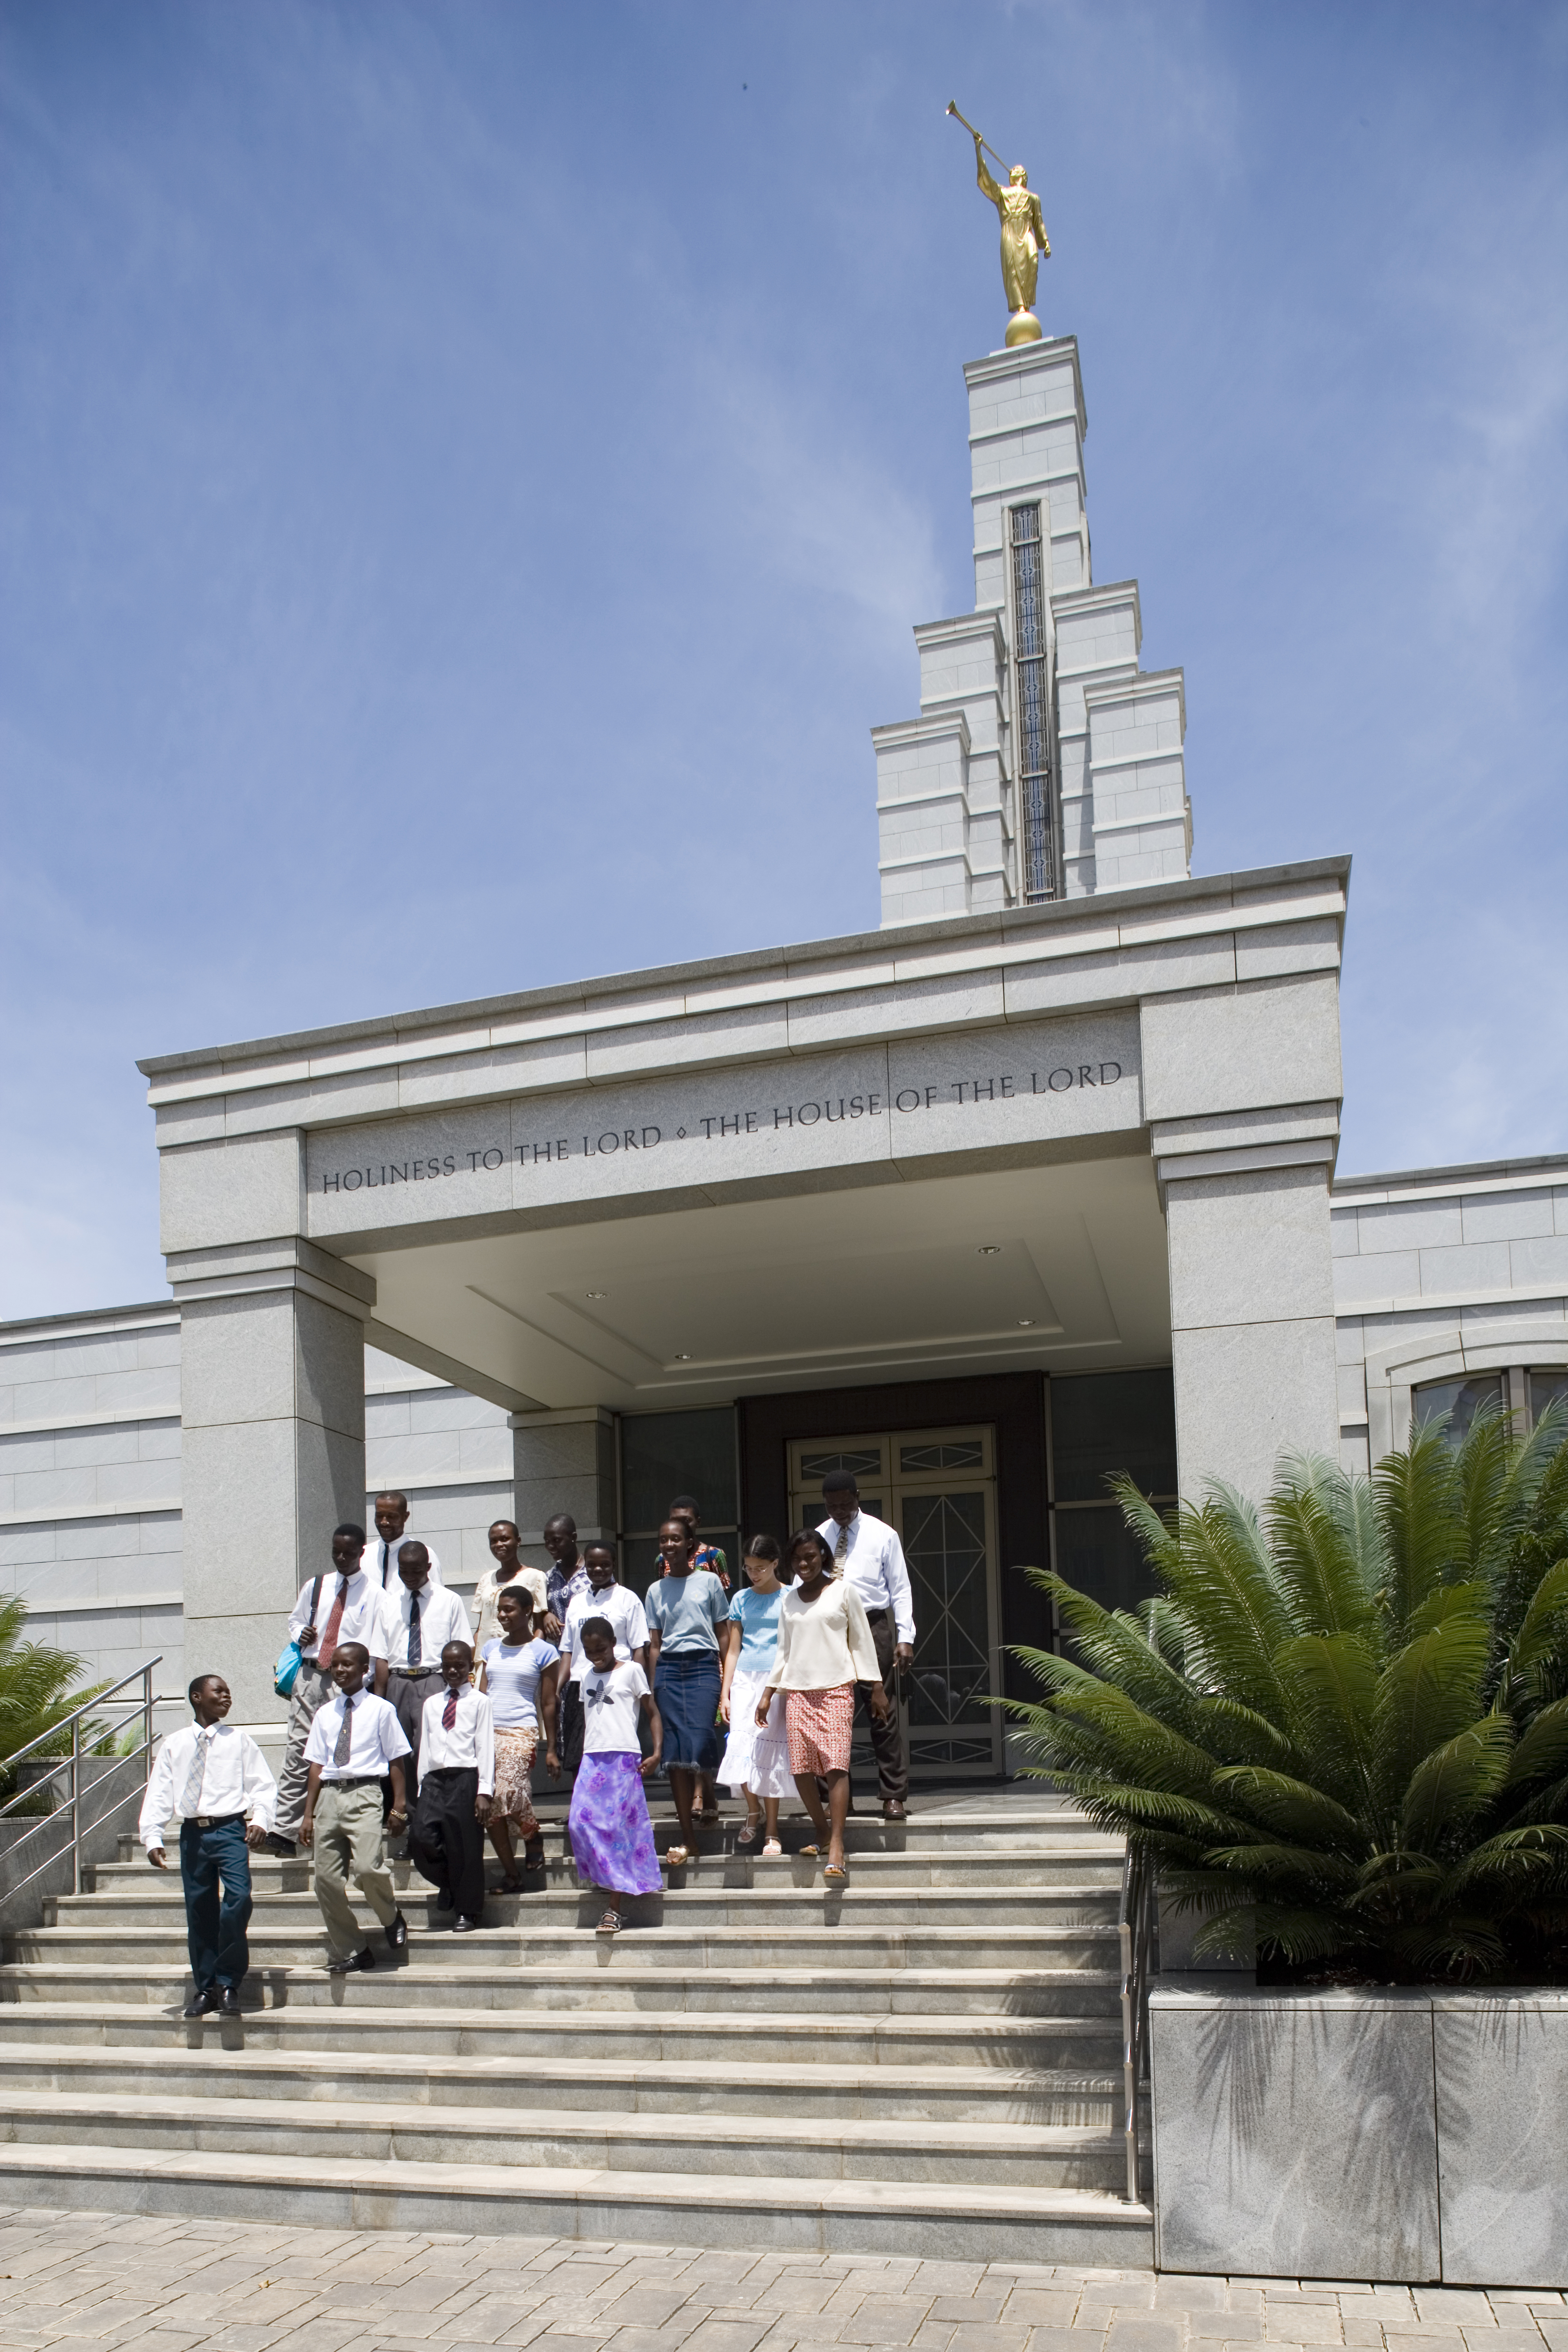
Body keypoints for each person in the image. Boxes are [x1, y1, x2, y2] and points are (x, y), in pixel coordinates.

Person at [139, 1673, 276, 2019]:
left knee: (238, 1900)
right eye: (219, 1691)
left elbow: (263, 1785)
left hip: (230, 1830)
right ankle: (206, 1988)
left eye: (229, 1692)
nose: (227, 1697)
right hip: (193, 1834)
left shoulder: (239, 1741)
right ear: (197, 1697)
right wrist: (153, 1836)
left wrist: (261, 1820)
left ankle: (228, 1982)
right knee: (200, 1911)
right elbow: (159, 1791)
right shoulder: (174, 1744)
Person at [760, 1528, 889, 1883]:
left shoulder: (844, 1592)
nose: (804, 1564)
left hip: (836, 1690)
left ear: (824, 1557)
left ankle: (837, 1845)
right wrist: (768, 1693)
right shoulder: (789, 1600)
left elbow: (862, 1641)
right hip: (798, 1692)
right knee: (801, 1769)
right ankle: (820, 1829)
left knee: (835, 1766)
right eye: (797, 1559)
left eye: (811, 1557)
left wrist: (877, 1686)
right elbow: (783, 1651)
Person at [268, 1523, 389, 1855]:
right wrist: (301, 1633)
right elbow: (295, 1621)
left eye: (348, 1553)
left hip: (346, 1684)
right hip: (311, 1676)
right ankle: (284, 1829)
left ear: (361, 1553)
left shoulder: (375, 1595)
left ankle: (339, 1826)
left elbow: (377, 1645)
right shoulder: (317, 1586)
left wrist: (364, 1685)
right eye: (336, 1552)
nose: (341, 1558)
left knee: (340, 1752)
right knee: (298, 1749)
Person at [300, 1642, 411, 1974]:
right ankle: (354, 1949)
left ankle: (391, 1916)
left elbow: (397, 1759)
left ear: (364, 1670)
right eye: (335, 1664)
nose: (340, 1670)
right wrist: (308, 1814)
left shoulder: (381, 1709)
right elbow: (316, 1766)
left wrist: (400, 1806)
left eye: (347, 1664)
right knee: (326, 1881)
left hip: (365, 1793)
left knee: (367, 1868)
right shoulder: (325, 1713)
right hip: (329, 1798)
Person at [817, 1470, 916, 1822]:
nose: (840, 1512)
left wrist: (905, 1637)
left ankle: (893, 1794)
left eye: (846, 1504)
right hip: (830, 1628)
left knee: (881, 1713)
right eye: (832, 1506)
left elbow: (900, 1589)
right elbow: (803, 1585)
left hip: (872, 1627)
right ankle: (836, 1799)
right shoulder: (819, 1537)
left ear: (858, 1497)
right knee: (830, 1717)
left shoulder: (883, 1534)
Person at [568, 1617, 663, 1935]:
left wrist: (656, 1753)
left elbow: (652, 1712)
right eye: (589, 1650)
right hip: (592, 1757)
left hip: (623, 1757)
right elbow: (591, 1719)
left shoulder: (632, 1671)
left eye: (602, 1648)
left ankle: (614, 1908)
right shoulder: (585, 1676)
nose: (596, 1655)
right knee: (578, 1822)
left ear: (614, 1643)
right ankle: (608, 1875)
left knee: (615, 1829)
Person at [644, 1516, 728, 1867]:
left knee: (702, 1736)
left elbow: (723, 1633)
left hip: (703, 1666)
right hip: (668, 1670)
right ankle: (688, 1839)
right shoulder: (655, 1590)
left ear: (690, 1543)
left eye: (676, 1539)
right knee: (675, 1753)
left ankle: (707, 1790)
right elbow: (654, 1644)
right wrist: (652, 1688)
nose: (669, 1545)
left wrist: (727, 1680)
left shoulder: (709, 1582)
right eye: (664, 1540)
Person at [476, 1585, 560, 1889]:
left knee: (508, 1792)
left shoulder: (544, 1651)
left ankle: (532, 1834)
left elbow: (548, 1702)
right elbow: (481, 1695)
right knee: (489, 1803)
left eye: (509, 1609)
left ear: (527, 1611)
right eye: (500, 1609)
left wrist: (552, 1749)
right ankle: (512, 1874)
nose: (502, 1615)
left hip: (521, 1731)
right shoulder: (490, 1648)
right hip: (487, 1733)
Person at [409, 1641, 494, 1932]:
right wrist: (422, 1785)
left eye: (459, 1665)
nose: (453, 1671)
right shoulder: (432, 1703)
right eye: (447, 1666)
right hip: (434, 1779)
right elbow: (425, 1745)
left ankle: (467, 1911)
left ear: (470, 1667)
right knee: (421, 1838)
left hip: (465, 1777)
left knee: (465, 1846)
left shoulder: (480, 1702)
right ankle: (450, 1883)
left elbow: (485, 1746)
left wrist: (484, 1790)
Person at [717, 1535, 792, 1854]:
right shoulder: (740, 1599)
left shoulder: (790, 1596)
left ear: (775, 1563)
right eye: (748, 1568)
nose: (754, 1574)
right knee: (740, 1745)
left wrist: (779, 1685)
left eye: (760, 1568)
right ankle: (753, 1810)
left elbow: (791, 1646)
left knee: (769, 1752)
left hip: (776, 1680)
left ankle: (772, 1828)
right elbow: (733, 1650)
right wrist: (725, 1694)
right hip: (744, 1680)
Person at [375, 1540, 473, 1782]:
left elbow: (464, 1647)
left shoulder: (449, 1600)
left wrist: (461, 1691)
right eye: (404, 1571)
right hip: (398, 1682)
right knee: (398, 1748)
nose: (409, 1577)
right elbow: (381, 1656)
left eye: (416, 1571)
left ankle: (429, 1799)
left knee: (430, 1746)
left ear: (428, 1567)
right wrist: (379, 1700)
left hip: (434, 1680)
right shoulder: (388, 1604)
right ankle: (405, 1802)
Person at [558, 1542, 649, 1773]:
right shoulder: (577, 1602)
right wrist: (558, 1688)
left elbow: (639, 1648)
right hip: (580, 1685)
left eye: (605, 1564)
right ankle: (583, 1796)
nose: (598, 1570)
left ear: (614, 1565)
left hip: (616, 1684)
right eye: (592, 1565)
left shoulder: (628, 1599)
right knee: (578, 1753)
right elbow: (568, 1650)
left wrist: (637, 1684)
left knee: (613, 1750)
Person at [472, 1520, 552, 1656]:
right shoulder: (486, 1579)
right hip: (486, 1659)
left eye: (505, 1539)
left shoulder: (535, 1577)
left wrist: (529, 1655)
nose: (499, 1544)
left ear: (518, 1541)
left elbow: (539, 1627)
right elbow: (481, 1626)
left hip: (519, 1657)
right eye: (494, 1541)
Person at [367, 1491, 443, 1590]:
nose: (384, 1522)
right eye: (379, 1516)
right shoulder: (363, 1555)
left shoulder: (425, 1554)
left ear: (405, 1517)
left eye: (391, 1516)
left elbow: (437, 1595)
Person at [665, 1496, 729, 1591]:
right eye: (675, 1521)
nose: (680, 1526)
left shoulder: (713, 1555)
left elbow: (723, 1594)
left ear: (698, 1522)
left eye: (686, 1520)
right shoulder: (663, 1559)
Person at [543, 1511, 592, 1624]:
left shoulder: (594, 1572)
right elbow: (538, 1609)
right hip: (559, 1637)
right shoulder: (549, 1577)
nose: (550, 1546)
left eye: (556, 1540)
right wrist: (545, 1615)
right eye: (547, 1541)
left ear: (573, 1537)